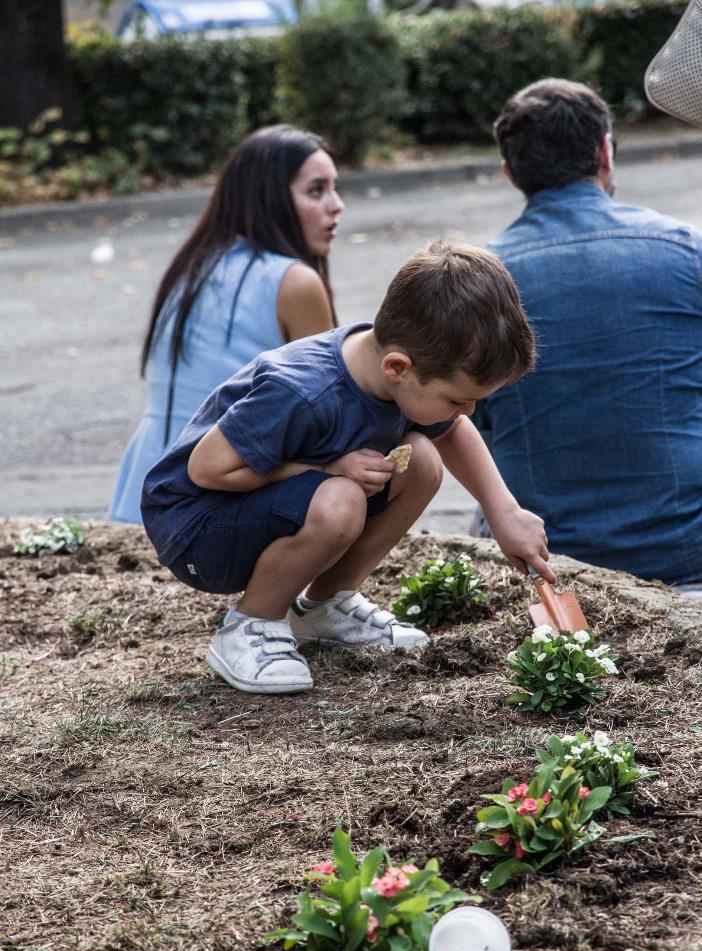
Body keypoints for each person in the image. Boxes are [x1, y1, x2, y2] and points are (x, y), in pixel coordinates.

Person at [141, 241, 553, 695]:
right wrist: (329, 467)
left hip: (256, 507)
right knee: (341, 499)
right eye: (458, 398)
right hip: (197, 528)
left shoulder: (393, 372)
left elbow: (451, 432)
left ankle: (323, 607)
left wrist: (503, 513)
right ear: (398, 367)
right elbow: (207, 469)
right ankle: (249, 626)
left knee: (421, 462)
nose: (469, 410)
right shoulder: (302, 391)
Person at [471, 78, 702, 592]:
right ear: (605, 153)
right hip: (689, 554)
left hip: (549, 567)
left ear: (510, 173)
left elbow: (460, 418)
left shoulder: (481, 281)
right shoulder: (688, 251)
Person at [109, 124, 344, 524]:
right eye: (316, 190)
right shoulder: (294, 281)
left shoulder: (194, 265)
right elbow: (327, 420)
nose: (336, 205)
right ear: (271, 199)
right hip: (217, 496)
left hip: (143, 487)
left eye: (335, 188)